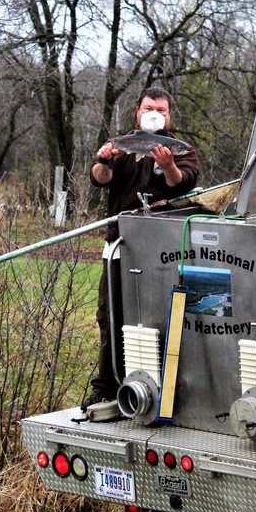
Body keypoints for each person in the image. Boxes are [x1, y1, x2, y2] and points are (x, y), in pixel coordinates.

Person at [84, 87, 200, 412]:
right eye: (149, 108)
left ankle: (167, 389)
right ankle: (106, 387)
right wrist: (105, 161)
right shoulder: (121, 144)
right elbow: (99, 177)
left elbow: (184, 181)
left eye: (161, 110)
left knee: (161, 318)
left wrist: (168, 165)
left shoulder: (181, 149)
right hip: (120, 244)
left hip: (164, 251)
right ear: (138, 112)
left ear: (169, 115)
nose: (155, 114)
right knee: (110, 317)